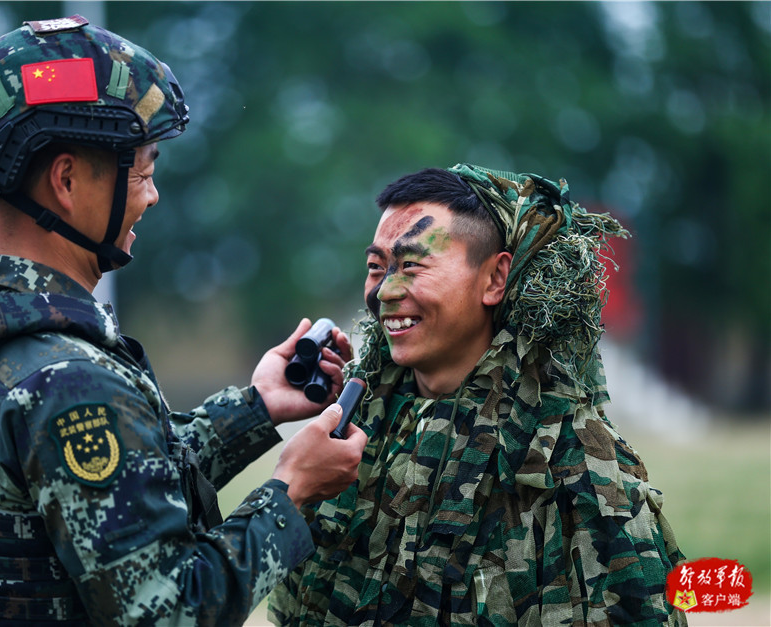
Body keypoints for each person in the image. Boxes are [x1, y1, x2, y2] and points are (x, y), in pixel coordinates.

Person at [0, 15, 367, 626]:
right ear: (67, 179)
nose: (151, 194)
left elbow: (94, 492)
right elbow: (174, 613)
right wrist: (291, 489)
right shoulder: (64, 375)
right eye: (142, 169)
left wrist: (257, 407)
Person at [269, 165, 688, 625]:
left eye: (411, 265)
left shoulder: (568, 455)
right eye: (376, 267)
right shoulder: (348, 440)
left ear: (494, 278)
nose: (385, 290)